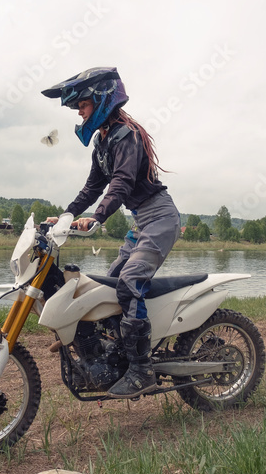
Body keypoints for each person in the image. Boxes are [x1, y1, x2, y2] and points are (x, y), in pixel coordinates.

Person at [42, 67, 181, 397]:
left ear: (102, 100)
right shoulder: (103, 143)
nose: (79, 112)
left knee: (130, 281)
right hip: (141, 222)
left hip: (160, 218)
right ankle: (112, 353)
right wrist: (66, 216)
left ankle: (141, 370)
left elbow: (121, 183)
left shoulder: (127, 136)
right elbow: (93, 187)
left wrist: (97, 218)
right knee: (108, 285)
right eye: (77, 108)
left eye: (83, 105)